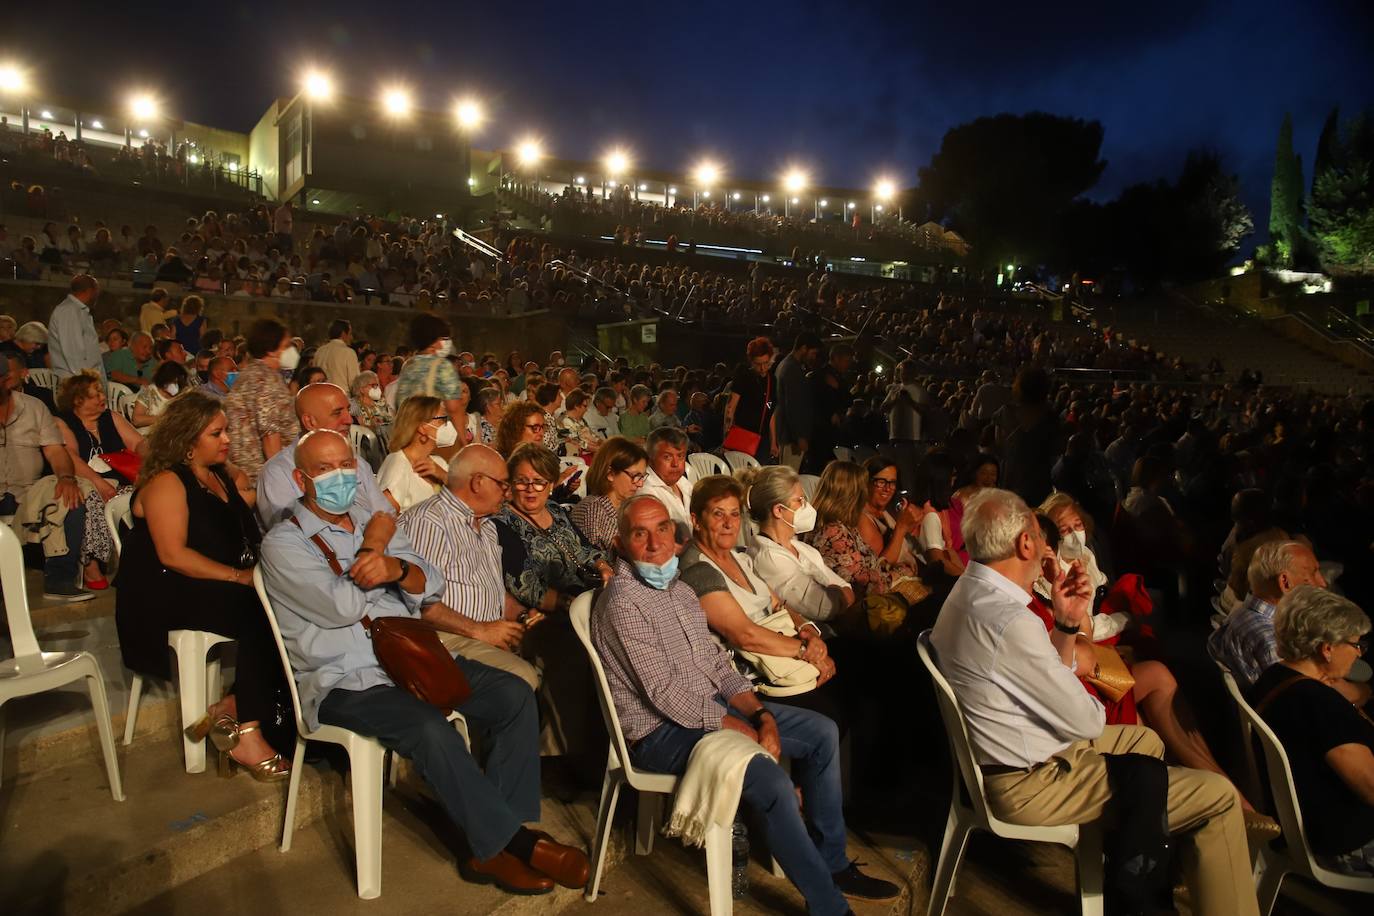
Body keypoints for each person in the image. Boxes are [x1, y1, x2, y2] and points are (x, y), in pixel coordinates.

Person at [261, 431, 587, 894]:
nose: (340, 477)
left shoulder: (369, 520)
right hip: (348, 681)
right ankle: (511, 845)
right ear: (299, 478)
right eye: (323, 469)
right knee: (430, 728)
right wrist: (377, 551)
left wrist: (393, 567)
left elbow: (427, 582)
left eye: (347, 466)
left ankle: (496, 836)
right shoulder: (285, 544)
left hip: (412, 659)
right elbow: (341, 607)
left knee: (514, 695)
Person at [930, 488, 1259, 916]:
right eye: (1041, 534)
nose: (1050, 546)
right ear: (1026, 544)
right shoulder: (1011, 619)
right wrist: (1079, 637)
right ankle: (1159, 887)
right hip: (1030, 782)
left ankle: (1142, 870)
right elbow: (1087, 720)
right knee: (1218, 796)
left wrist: (1067, 623)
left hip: (1010, 760)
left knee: (1148, 744)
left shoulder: (969, 593)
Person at [591, 495, 898, 915]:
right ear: (621, 543)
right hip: (660, 733)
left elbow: (717, 664)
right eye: (639, 534)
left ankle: (833, 863)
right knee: (771, 784)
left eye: (662, 528)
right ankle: (829, 906)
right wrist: (751, 736)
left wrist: (761, 714)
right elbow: (666, 696)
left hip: (710, 708)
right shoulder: (624, 604)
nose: (654, 543)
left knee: (822, 732)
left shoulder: (678, 588)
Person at [114, 391, 290, 777]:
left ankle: (234, 704)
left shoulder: (218, 475)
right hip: (166, 594)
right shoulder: (167, 482)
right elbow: (172, 555)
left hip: (209, 583)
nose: (227, 439)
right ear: (187, 440)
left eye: (225, 430)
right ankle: (245, 730)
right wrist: (241, 577)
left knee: (290, 602)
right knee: (263, 609)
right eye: (216, 433)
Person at [679, 475, 842, 721]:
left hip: (784, 654)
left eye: (734, 514)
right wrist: (806, 650)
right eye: (718, 514)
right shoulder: (697, 570)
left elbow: (778, 603)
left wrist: (807, 629)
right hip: (756, 677)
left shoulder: (740, 558)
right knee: (834, 712)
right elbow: (745, 636)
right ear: (696, 521)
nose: (728, 524)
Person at [1247, 586, 1374, 876]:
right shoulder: (1319, 704)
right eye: (1355, 644)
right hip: (1344, 843)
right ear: (1327, 648)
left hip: (1305, 829)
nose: (1358, 653)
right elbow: (1371, 788)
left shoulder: (1274, 678)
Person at [494, 443, 612, 753]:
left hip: (585, 603)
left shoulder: (558, 513)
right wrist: (567, 605)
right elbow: (522, 583)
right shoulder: (503, 524)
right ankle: (564, 753)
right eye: (522, 481)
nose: (530, 490)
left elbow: (586, 550)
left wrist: (602, 567)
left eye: (539, 482)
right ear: (509, 484)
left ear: (551, 484)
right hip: (542, 613)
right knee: (576, 655)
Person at [398, 444, 540, 690]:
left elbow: (492, 590)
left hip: (487, 635)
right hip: (443, 640)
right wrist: (480, 631)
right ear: (477, 482)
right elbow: (417, 601)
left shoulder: (487, 526)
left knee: (561, 655)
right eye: (503, 485)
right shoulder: (429, 522)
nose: (507, 494)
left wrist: (523, 616)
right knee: (522, 677)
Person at [0, 352, 91, 601]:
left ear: (6, 380)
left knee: (69, 493)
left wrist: (66, 478)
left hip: (27, 491)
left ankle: (60, 579)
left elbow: (55, 451)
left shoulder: (33, 407)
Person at [54, 372, 146, 589]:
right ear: (78, 400)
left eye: (101, 393)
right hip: (86, 480)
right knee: (93, 499)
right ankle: (90, 562)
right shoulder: (63, 422)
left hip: (120, 479)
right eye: (95, 395)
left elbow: (138, 443)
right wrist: (99, 482)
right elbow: (71, 458)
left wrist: (148, 461)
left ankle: (141, 558)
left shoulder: (110, 417)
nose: (102, 397)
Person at [256, 382, 389, 528]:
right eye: (337, 413)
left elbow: (385, 515)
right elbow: (294, 534)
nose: (349, 420)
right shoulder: (277, 473)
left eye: (348, 410)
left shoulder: (358, 463)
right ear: (310, 421)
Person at [744, 465, 855, 632]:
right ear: (779, 510)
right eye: (800, 500)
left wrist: (839, 593)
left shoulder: (799, 546)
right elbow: (825, 607)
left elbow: (846, 589)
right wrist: (839, 593)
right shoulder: (768, 557)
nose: (807, 507)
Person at [1210, 540, 1334, 688]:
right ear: (1285, 583)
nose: (1322, 583)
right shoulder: (1273, 643)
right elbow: (1300, 696)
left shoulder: (1241, 613)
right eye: (1314, 572)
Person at [810, 460, 918, 598]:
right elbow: (865, 586)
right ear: (850, 493)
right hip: (866, 607)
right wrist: (901, 573)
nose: (865, 495)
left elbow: (874, 565)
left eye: (892, 482)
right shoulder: (833, 532)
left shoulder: (844, 526)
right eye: (863, 489)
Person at [224, 319, 300, 486]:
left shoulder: (250, 373)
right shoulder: (265, 379)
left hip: (247, 471)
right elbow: (269, 434)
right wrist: (281, 482)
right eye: (286, 346)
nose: (291, 351)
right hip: (259, 476)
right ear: (271, 349)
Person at [570, 436, 649, 551]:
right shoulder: (592, 511)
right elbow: (594, 562)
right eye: (635, 476)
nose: (640, 484)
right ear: (610, 474)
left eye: (642, 476)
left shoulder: (631, 506)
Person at [378, 395, 453, 512]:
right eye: (442, 420)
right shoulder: (398, 464)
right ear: (422, 427)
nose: (447, 425)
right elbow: (385, 517)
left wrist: (444, 476)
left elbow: (466, 501)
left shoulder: (439, 463)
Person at [394, 313, 465, 433]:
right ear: (434, 339)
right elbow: (454, 409)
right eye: (443, 338)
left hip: (407, 433)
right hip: (431, 435)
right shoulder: (442, 366)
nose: (445, 342)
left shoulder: (408, 365)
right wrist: (464, 443)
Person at [857, 455, 926, 570]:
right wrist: (901, 527)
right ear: (866, 482)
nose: (887, 488)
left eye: (892, 483)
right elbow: (880, 568)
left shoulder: (884, 513)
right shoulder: (863, 519)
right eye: (881, 482)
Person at [879, 360, 931, 493]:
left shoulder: (920, 390)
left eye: (907, 371)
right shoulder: (894, 389)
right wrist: (895, 400)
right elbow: (883, 408)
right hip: (896, 436)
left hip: (914, 438)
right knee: (899, 474)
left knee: (912, 474)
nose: (904, 374)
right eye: (902, 371)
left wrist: (910, 402)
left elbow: (926, 412)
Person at [724, 336, 777, 461]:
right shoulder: (743, 377)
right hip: (742, 437)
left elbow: (771, 412)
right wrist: (726, 439)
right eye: (758, 364)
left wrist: (773, 442)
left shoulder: (772, 380)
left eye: (766, 363)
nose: (763, 368)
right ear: (751, 361)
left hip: (762, 441)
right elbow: (730, 409)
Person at [774, 333, 820, 471]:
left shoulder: (786, 365)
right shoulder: (792, 369)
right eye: (813, 353)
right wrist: (800, 436)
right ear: (804, 348)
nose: (814, 357)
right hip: (791, 437)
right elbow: (793, 405)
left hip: (787, 433)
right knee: (788, 477)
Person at [48, 274, 106, 381]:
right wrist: (84, 383)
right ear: (90, 291)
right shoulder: (69, 311)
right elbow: (74, 354)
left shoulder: (79, 311)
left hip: (86, 381)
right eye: (97, 291)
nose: (98, 295)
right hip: (77, 384)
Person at [639, 426, 694, 534]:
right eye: (667, 457)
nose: (675, 464)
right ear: (650, 458)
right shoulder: (646, 491)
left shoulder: (683, 482)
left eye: (680, 456)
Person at [131, 360, 188, 429]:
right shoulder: (149, 392)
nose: (177, 387)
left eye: (179, 383)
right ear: (164, 379)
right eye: (174, 382)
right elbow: (136, 420)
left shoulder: (180, 397)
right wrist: (164, 419)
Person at [314, 318, 360, 391]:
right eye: (350, 334)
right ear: (343, 334)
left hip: (321, 395)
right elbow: (354, 382)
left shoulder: (319, 351)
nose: (351, 337)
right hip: (341, 397)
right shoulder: (348, 352)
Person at [350, 369, 393, 434]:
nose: (377, 388)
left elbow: (393, 420)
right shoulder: (354, 405)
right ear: (362, 389)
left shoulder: (382, 402)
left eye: (378, 385)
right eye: (373, 385)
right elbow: (354, 429)